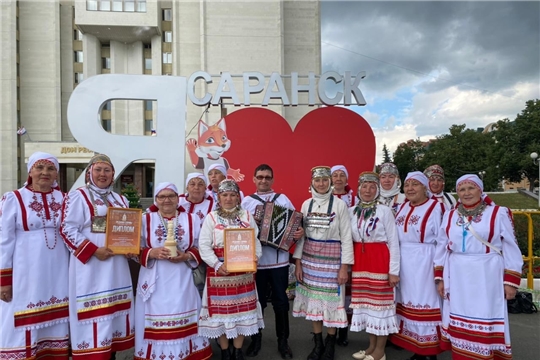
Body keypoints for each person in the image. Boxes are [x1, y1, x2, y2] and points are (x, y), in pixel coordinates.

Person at [434, 174, 523, 359]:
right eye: (462, 189)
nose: (466, 193)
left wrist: (510, 281)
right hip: (457, 274)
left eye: (471, 188)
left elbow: (511, 247)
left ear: (480, 190)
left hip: (487, 274)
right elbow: (442, 246)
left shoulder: (498, 213)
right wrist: (440, 277)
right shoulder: (451, 215)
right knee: (459, 317)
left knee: (486, 315)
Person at [60, 154, 134, 359]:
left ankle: (110, 352)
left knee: (113, 312)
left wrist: (130, 247)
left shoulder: (120, 199)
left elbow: (129, 230)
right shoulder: (78, 196)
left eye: (107, 170)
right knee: (93, 314)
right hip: (90, 267)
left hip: (117, 266)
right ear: (89, 172)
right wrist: (93, 250)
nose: (102, 174)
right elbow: (67, 228)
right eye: (98, 170)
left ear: (113, 174)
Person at [0, 152, 70, 359]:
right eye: (39, 168)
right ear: (30, 171)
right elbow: (4, 240)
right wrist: (4, 279)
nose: (44, 173)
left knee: (57, 314)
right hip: (25, 271)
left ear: (56, 173)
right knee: (19, 314)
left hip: (58, 271)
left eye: (50, 168)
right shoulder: (13, 198)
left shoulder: (65, 199)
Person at [134, 182, 212, 360]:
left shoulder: (192, 219)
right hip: (154, 278)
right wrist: (151, 252)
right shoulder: (145, 219)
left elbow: (203, 246)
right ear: (156, 199)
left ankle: (185, 354)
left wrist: (187, 256)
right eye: (162, 196)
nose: (166, 200)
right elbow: (131, 249)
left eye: (171, 196)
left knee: (184, 313)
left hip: (181, 278)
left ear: (179, 198)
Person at [241, 164, 304, 359]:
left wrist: (299, 232)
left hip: (279, 261)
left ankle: (283, 341)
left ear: (273, 180)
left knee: (281, 302)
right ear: (254, 179)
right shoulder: (247, 202)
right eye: (260, 177)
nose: (263, 180)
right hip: (256, 262)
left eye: (267, 177)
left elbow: (295, 222)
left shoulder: (283, 200)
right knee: (257, 303)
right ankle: (256, 339)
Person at [198, 179, 264, 360]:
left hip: (243, 273)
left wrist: (254, 259)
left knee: (243, 313)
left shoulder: (246, 216)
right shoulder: (211, 218)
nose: (228, 198)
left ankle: (238, 350)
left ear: (238, 197)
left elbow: (256, 242)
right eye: (224, 195)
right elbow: (203, 245)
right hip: (220, 272)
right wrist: (217, 265)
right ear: (219, 197)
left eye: (232, 195)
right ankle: (225, 351)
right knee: (220, 315)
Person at [293, 166, 353, 360]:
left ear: (330, 182)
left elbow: (346, 237)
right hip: (310, 260)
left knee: (332, 303)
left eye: (325, 180)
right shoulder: (306, 204)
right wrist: (298, 263)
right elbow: (301, 237)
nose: (321, 184)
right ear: (312, 182)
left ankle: (330, 345)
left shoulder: (339, 205)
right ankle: (317, 344)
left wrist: (345, 267)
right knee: (314, 303)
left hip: (333, 261)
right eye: (318, 180)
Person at [390, 171, 445, 360]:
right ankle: (418, 349)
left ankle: (429, 352)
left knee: (426, 303)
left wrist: (439, 271)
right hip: (405, 262)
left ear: (424, 187)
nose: (410, 189)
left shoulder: (436, 207)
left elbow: (443, 241)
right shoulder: (403, 207)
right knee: (408, 303)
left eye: (415, 184)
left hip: (425, 262)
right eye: (407, 185)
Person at [349, 172, 400, 360]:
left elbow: (394, 242)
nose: (368, 190)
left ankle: (380, 351)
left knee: (380, 307)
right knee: (367, 307)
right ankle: (371, 347)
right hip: (361, 262)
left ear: (377, 189)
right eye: (364, 186)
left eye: (372, 186)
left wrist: (393, 271)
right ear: (359, 188)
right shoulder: (352, 210)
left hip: (379, 261)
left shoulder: (384, 211)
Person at [330, 164, 354, 347]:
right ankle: (330, 328)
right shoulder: (324, 196)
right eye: (335, 175)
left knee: (346, 291)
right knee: (330, 290)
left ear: (346, 179)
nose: (338, 179)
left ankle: (343, 330)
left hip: (348, 246)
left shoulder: (355, 198)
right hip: (329, 249)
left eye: (341, 175)